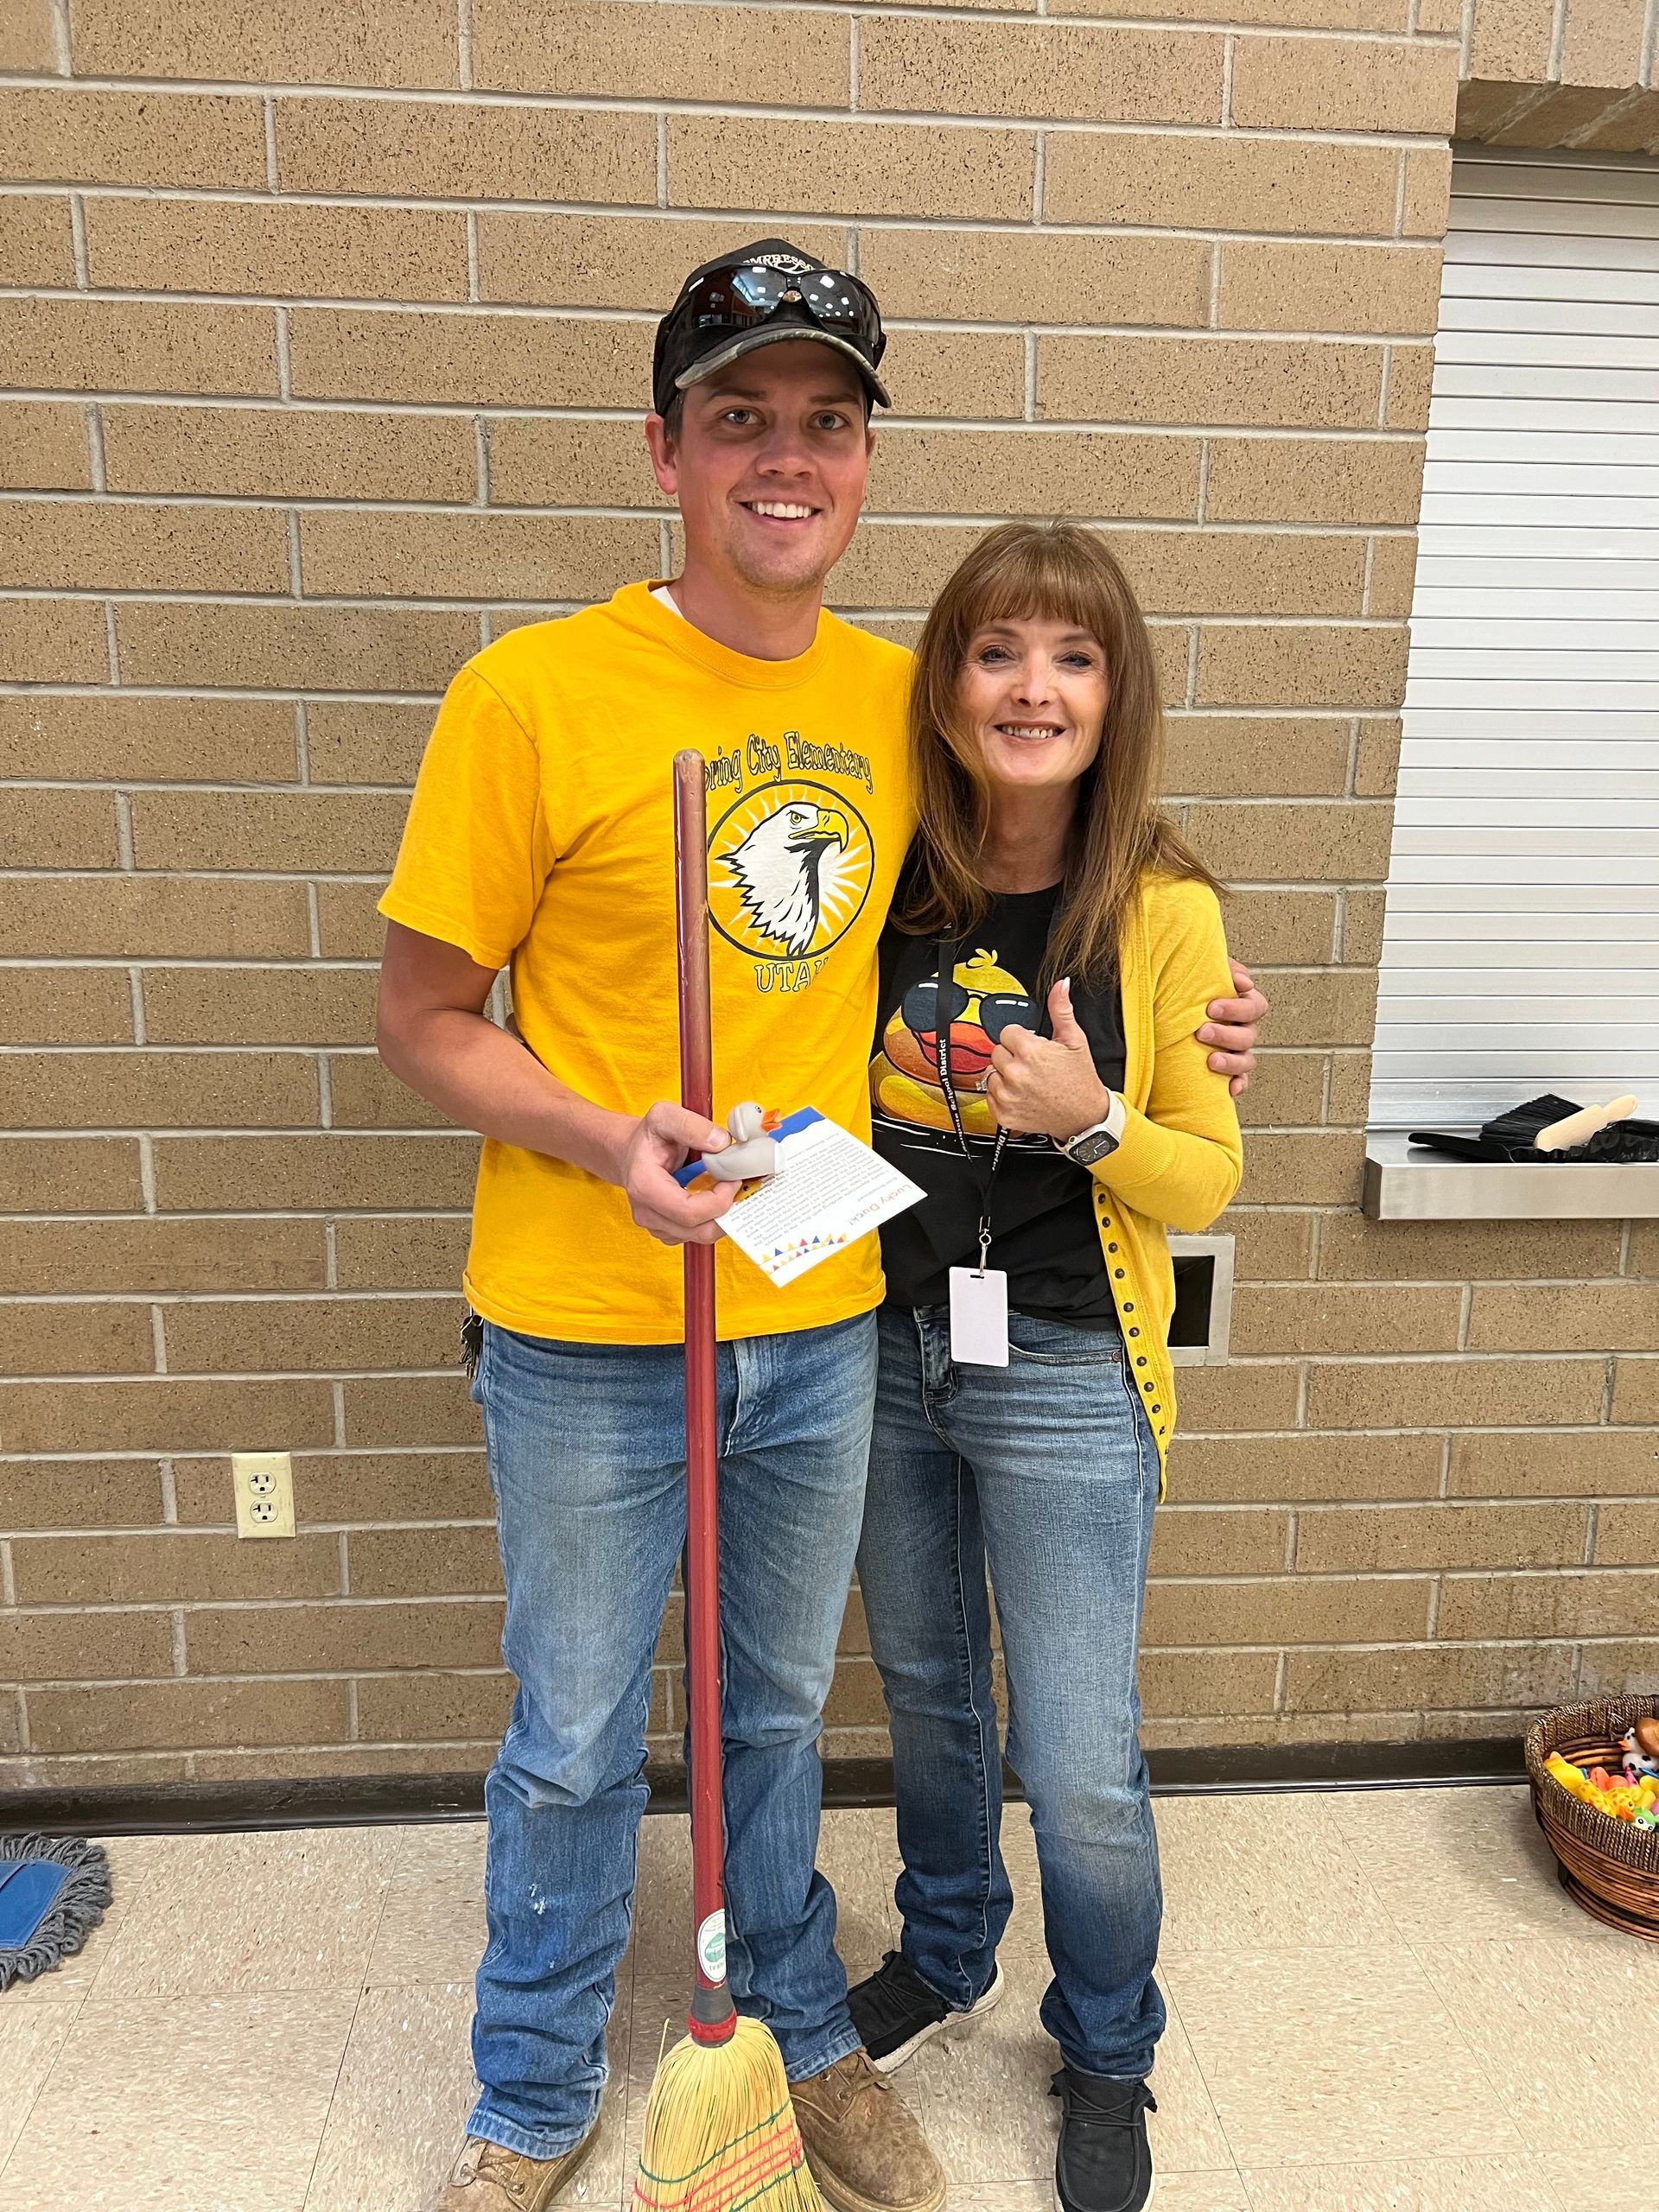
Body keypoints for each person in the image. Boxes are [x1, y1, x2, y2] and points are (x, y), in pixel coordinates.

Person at [374, 239, 1266, 2212]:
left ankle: (795, 2020)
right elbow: (421, 1017)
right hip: (588, 1312)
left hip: (822, 1307)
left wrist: (1198, 1006)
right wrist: (606, 1132)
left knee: (777, 1708)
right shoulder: (533, 693)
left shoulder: (905, 698)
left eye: (828, 423)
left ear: (863, 461)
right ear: (667, 448)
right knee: (582, 1730)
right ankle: (527, 2086)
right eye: (740, 418)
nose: (788, 457)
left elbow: (1078, 839)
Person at [845, 523, 1244, 2212]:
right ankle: (948, 1952)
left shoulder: (1159, 904)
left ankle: (1106, 2040)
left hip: (1071, 1365)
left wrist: (1092, 1121)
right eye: (999, 651)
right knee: (930, 1696)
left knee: (1078, 1746)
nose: (1032, 685)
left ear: (1114, 690)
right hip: (881, 1347)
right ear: (945, 685)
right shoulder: (881, 879)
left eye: (1071, 656)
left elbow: (1205, 1176)